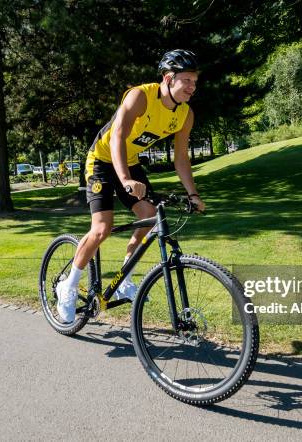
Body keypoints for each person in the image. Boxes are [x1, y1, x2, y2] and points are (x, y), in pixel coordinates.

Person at [55, 49, 206, 323]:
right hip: (102, 160)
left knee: (149, 217)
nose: (193, 87)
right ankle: (68, 284)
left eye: (195, 81)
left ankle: (124, 278)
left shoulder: (185, 114)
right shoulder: (141, 96)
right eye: (188, 80)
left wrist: (192, 194)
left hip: (130, 161)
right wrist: (124, 179)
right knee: (102, 228)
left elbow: (181, 158)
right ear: (169, 78)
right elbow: (117, 137)